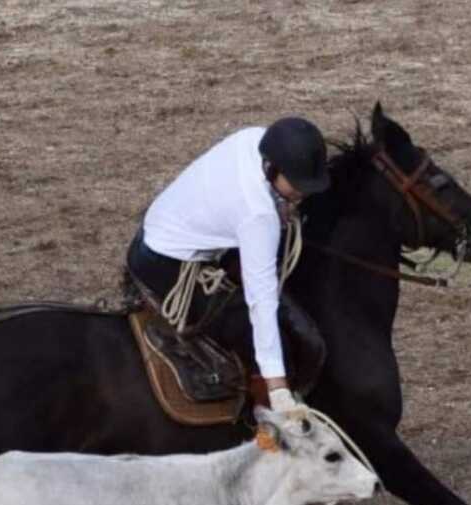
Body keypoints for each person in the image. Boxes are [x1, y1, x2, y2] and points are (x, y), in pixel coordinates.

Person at [125, 117, 330, 412]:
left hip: (159, 228)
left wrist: (281, 200)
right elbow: (261, 301)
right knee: (247, 329)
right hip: (165, 264)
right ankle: (264, 425)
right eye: (296, 185)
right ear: (272, 169)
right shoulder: (257, 216)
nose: (302, 192)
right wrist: (277, 383)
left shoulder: (253, 139)